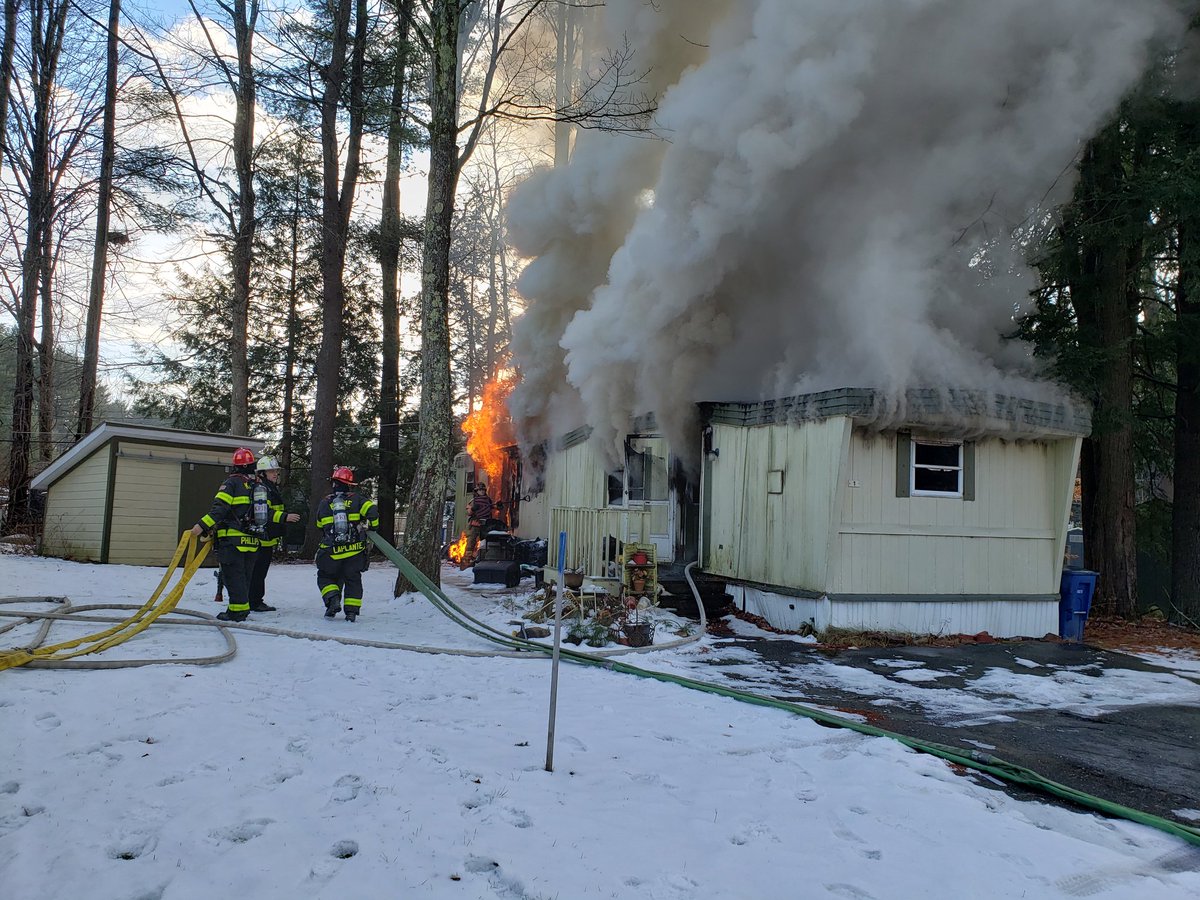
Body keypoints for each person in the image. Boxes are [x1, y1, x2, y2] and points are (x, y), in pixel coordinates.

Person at [191, 447, 260, 622]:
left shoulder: (231, 484)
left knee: (233, 577)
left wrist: (201, 526)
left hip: (233, 540)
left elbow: (219, 509)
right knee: (245, 577)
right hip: (252, 541)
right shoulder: (256, 486)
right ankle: (241, 609)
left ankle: (237, 612)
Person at [314, 466, 379, 622]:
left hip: (331, 552)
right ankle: (351, 612)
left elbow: (318, 525)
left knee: (325, 576)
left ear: (334, 483)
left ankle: (333, 599)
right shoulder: (357, 499)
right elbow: (373, 512)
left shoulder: (325, 502)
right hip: (354, 552)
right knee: (353, 580)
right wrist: (373, 527)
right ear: (350, 484)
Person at [247, 455, 301, 612]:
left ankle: (254, 600)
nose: (275, 474)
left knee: (260, 572)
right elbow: (265, 511)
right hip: (260, 539)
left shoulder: (269, 487)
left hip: (267, 538)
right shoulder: (262, 489)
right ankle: (254, 601)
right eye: (271, 471)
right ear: (262, 473)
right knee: (257, 572)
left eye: (276, 471)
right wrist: (285, 517)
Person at [464, 483, 494, 568]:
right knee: (471, 543)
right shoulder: (473, 501)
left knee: (485, 543)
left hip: (486, 526)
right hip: (475, 525)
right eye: (480, 490)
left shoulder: (488, 500)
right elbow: (467, 512)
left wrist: (499, 506)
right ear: (476, 491)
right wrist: (472, 509)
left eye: (483, 490)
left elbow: (493, 508)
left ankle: (481, 559)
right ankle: (467, 561)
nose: (482, 491)